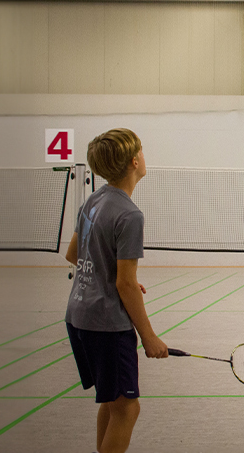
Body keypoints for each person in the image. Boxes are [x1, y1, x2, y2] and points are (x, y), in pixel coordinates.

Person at [63, 129, 168, 453]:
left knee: (112, 402)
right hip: (106, 326)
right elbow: (124, 283)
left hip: (78, 316)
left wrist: (115, 276)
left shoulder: (94, 199)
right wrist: (149, 337)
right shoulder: (130, 215)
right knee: (127, 408)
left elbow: (73, 254)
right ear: (135, 161)